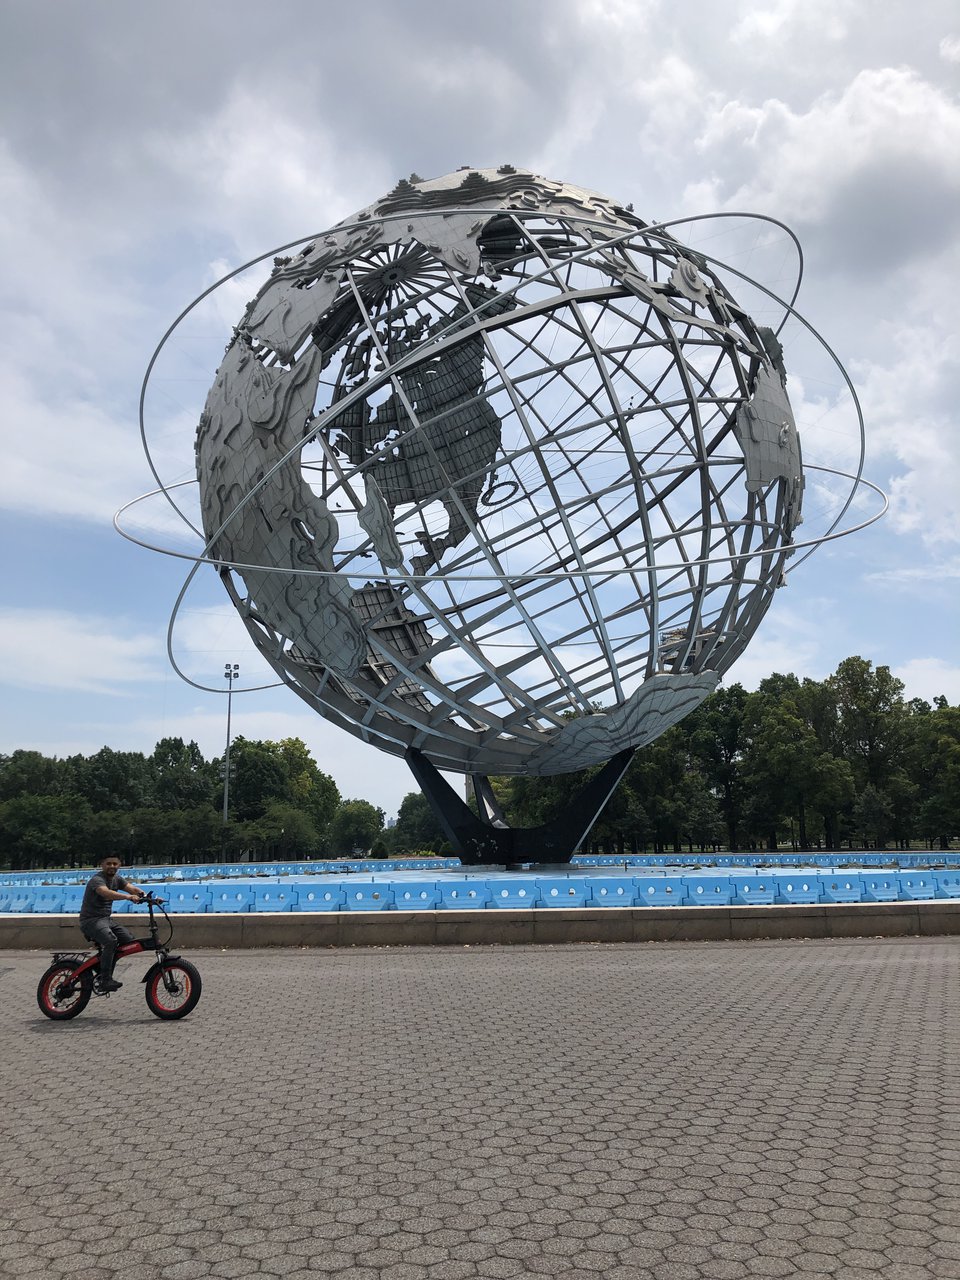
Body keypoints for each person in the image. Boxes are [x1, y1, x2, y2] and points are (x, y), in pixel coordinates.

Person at [79, 856, 146, 991]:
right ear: (102, 865)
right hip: (91, 920)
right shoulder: (96, 880)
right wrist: (128, 897)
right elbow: (106, 893)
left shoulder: (117, 879)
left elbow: (132, 888)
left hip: (106, 920)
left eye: (115, 863)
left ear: (119, 865)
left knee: (129, 941)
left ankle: (103, 966)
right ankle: (105, 979)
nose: (112, 866)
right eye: (108, 863)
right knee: (111, 941)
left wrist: (149, 897)